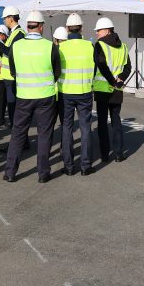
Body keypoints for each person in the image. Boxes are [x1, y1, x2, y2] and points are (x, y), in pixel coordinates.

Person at [3, 10, 61, 183]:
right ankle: (43, 173)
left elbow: (13, 71)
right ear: (41, 27)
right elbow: (57, 72)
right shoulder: (50, 46)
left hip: (24, 96)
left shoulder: (16, 46)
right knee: (45, 134)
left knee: (18, 133)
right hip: (46, 97)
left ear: (28, 27)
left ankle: (10, 172)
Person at [60, 14, 96, 176]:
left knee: (66, 128)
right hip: (85, 92)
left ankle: (68, 166)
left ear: (67, 29)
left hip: (65, 93)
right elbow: (95, 69)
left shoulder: (60, 48)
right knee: (85, 127)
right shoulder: (90, 46)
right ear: (81, 28)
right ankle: (85, 165)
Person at [92, 17, 130, 162]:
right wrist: (120, 79)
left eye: (99, 30)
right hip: (117, 89)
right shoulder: (123, 46)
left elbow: (101, 65)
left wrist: (112, 81)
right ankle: (119, 153)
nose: (97, 33)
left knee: (102, 122)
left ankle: (104, 154)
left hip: (103, 90)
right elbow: (128, 67)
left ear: (107, 31)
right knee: (116, 120)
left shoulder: (99, 45)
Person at [0, 6, 25, 130]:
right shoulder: (14, 33)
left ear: (11, 18)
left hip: (12, 78)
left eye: (5, 18)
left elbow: (10, 53)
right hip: (9, 77)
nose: (4, 21)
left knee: (14, 111)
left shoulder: (19, 34)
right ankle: (20, 142)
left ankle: (18, 143)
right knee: (12, 111)